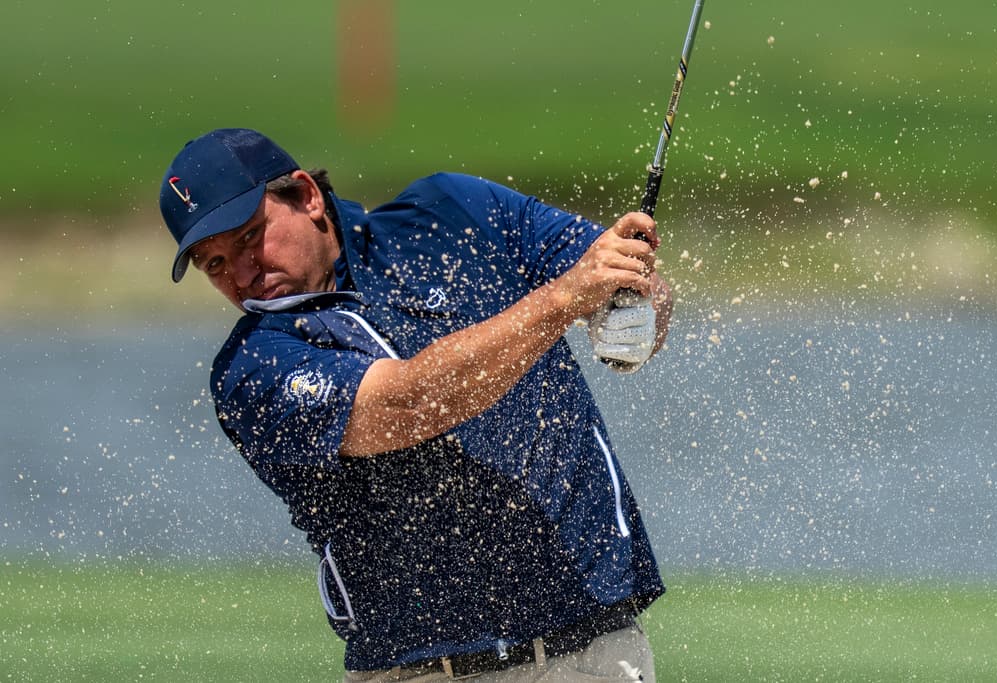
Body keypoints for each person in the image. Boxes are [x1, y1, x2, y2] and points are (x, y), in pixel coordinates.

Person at [159, 128, 674, 681]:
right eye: (213, 265)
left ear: (306, 195)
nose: (242, 276)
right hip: (422, 671)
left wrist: (636, 308)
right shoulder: (252, 368)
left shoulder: (454, 211)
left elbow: (618, 274)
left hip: (592, 655)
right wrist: (567, 298)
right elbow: (411, 403)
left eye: (248, 238)